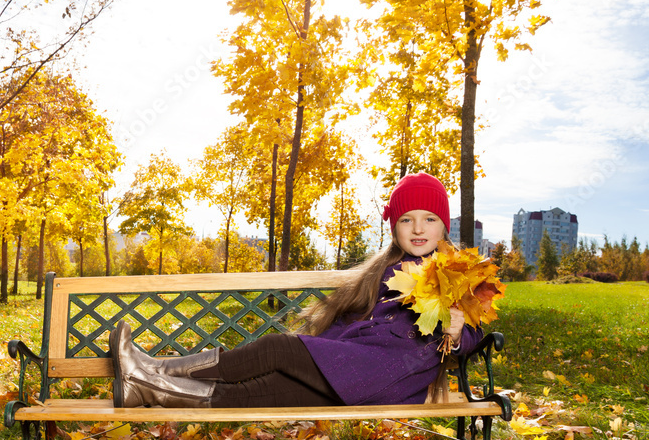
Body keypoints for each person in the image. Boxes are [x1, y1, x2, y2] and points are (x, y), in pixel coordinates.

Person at [110, 172, 483, 409]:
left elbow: (475, 336)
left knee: (278, 349)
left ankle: (152, 368)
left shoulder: (457, 272)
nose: (418, 228)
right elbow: (353, 322)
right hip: (355, 367)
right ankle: (143, 389)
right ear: (393, 226)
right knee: (261, 391)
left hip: (389, 374)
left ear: (444, 226)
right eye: (407, 219)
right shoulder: (384, 270)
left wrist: (455, 332)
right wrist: (323, 350)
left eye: (430, 219)